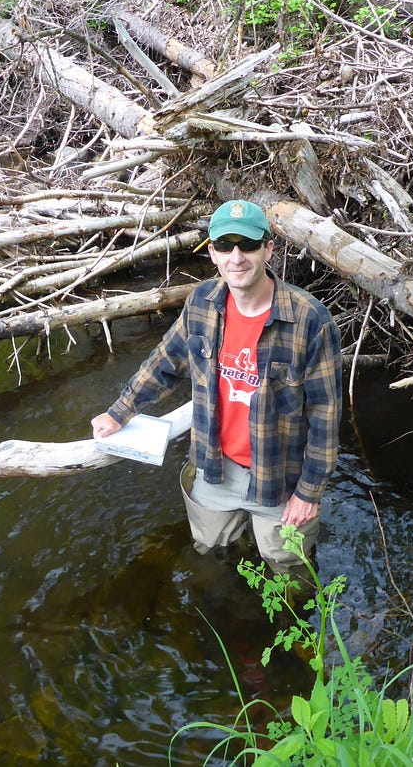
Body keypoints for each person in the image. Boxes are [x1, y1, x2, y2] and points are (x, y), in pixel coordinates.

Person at [91, 199, 343, 574]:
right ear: (212, 253)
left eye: (248, 245)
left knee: (289, 570)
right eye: (225, 246)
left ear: (268, 249)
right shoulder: (201, 303)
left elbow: (325, 414)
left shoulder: (311, 320)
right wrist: (119, 412)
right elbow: (166, 361)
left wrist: (309, 492)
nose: (236, 257)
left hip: (280, 476)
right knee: (210, 556)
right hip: (214, 466)